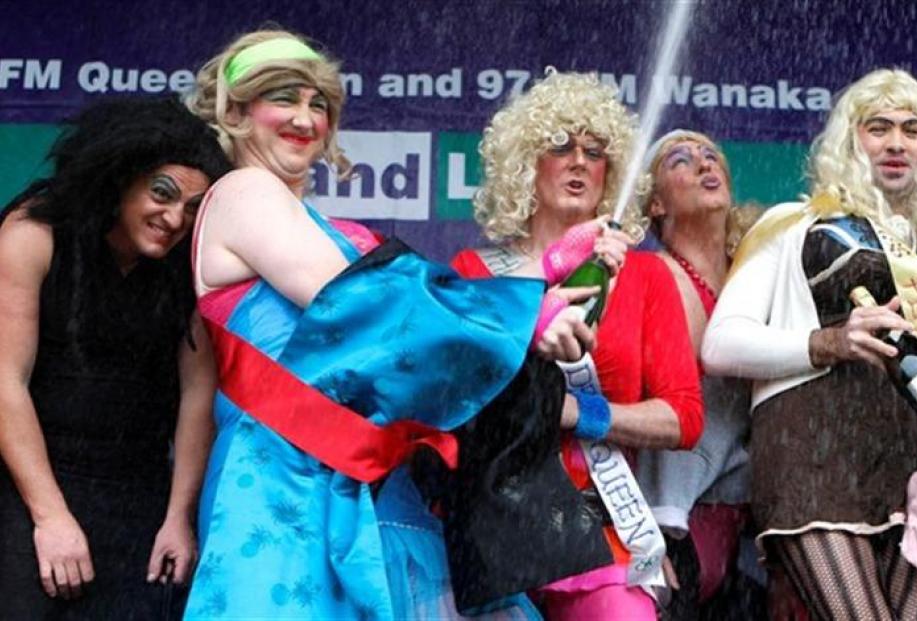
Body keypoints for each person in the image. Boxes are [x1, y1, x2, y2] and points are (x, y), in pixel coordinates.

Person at [183, 29, 566, 620]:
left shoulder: (324, 222)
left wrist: (536, 306)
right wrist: (526, 308)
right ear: (235, 111)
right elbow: (366, 308)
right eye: (284, 97)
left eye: (320, 105)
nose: (306, 119)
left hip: (363, 477)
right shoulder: (243, 190)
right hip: (278, 482)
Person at [452, 70, 704, 621]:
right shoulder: (474, 273)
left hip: (603, 533)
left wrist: (575, 413)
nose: (580, 161)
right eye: (560, 146)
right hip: (495, 531)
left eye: (596, 151)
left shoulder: (645, 277)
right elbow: (456, 404)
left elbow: (682, 418)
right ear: (525, 164)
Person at [702, 68, 917, 620]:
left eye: (913, 129)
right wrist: (830, 341)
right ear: (849, 138)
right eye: (878, 127)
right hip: (815, 451)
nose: (896, 143)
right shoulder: (793, 223)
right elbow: (719, 345)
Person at [0, 97, 231, 619]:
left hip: (139, 496)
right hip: (30, 486)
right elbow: (4, 381)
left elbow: (198, 394)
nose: (174, 218)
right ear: (121, 178)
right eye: (162, 193)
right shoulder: (32, 237)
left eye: (192, 209)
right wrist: (50, 517)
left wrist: (179, 517)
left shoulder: (187, 265)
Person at [633, 130, 766, 619]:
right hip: (671, 524)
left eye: (713, 157)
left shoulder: (756, 274)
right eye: (681, 162)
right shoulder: (648, 275)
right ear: (654, 205)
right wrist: (649, 529)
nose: (704, 165)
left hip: (749, 534)